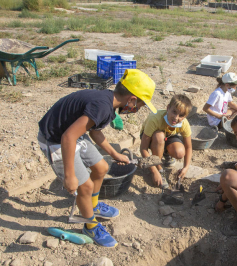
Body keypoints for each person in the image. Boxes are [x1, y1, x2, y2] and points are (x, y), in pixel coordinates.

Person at [37, 69, 157, 247]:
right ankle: (90, 226)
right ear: (132, 99)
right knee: (84, 185)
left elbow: (94, 130)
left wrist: (114, 154)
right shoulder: (102, 106)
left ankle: (92, 206)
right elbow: (67, 138)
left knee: (101, 167)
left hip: (72, 133)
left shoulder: (109, 102)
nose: (137, 109)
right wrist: (70, 176)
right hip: (56, 139)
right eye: (139, 105)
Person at [140, 95, 193, 188]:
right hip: (152, 137)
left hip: (168, 136)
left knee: (180, 152)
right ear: (168, 108)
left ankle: (166, 153)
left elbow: (188, 147)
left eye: (181, 115)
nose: (176, 118)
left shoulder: (184, 124)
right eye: (174, 112)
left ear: (185, 116)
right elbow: (143, 148)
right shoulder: (155, 118)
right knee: (159, 136)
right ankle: (159, 168)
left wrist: (186, 167)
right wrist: (155, 171)